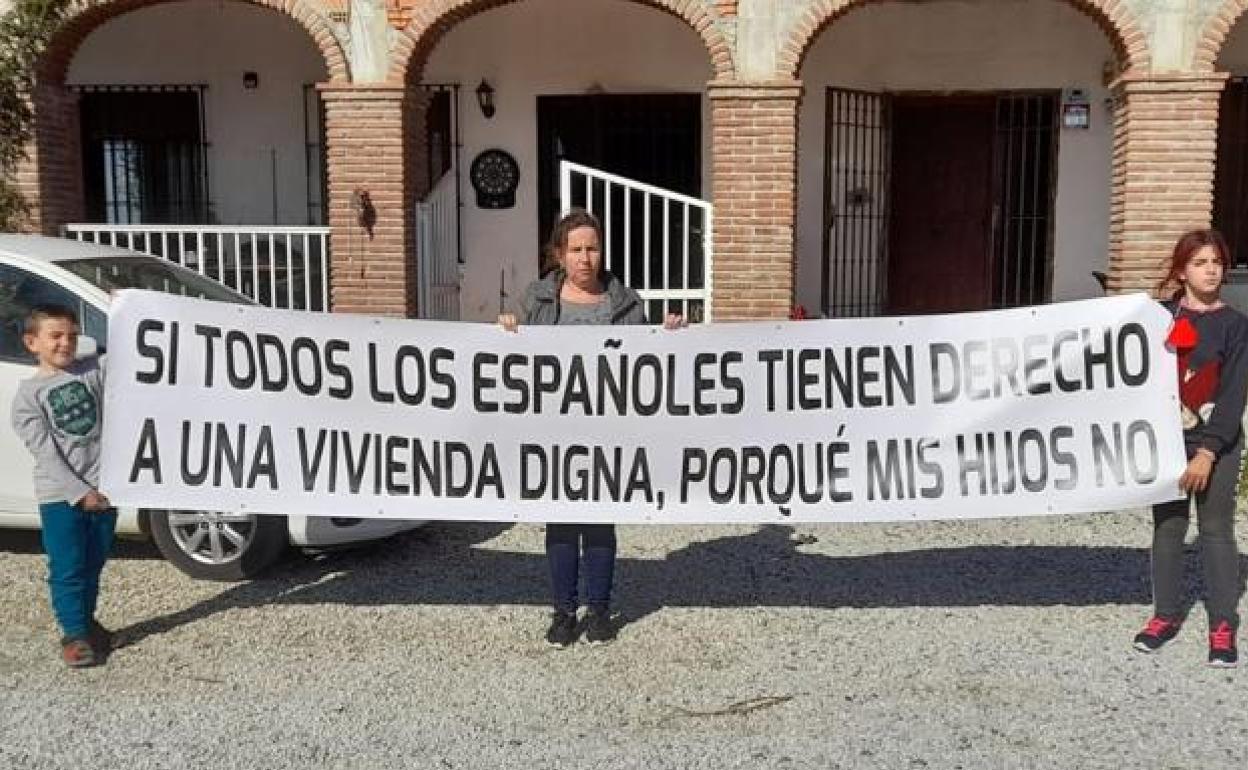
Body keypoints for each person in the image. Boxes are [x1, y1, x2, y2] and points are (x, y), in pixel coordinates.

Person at [499, 210, 683, 648]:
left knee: (600, 524)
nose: (586, 258)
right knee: (561, 523)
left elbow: (648, 362)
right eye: (576, 249)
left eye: (593, 248)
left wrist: (672, 334)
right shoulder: (538, 300)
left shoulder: (624, 302)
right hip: (555, 435)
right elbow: (512, 358)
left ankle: (599, 609)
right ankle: (563, 612)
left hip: (607, 435)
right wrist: (507, 329)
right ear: (559, 254)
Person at [1132, 229, 1248, 667]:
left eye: (1216, 261)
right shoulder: (1156, 319)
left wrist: (1208, 451)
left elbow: (1235, 394)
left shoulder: (1236, 326)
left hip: (1215, 444)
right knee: (1168, 528)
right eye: (1200, 262)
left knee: (1216, 530)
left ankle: (1222, 625)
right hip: (1166, 441)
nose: (1211, 269)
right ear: (1182, 271)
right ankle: (1164, 615)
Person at [10, 304, 116, 668]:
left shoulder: (91, 372)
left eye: (71, 335)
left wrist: (124, 309)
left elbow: (130, 355)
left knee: (94, 561)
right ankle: (73, 635)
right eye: (55, 336)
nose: (65, 342)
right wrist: (78, 492)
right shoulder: (28, 398)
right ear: (32, 342)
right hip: (62, 497)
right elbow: (48, 455)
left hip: (102, 493)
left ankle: (86, 622)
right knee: (68, 565)